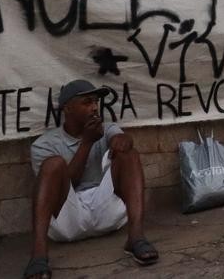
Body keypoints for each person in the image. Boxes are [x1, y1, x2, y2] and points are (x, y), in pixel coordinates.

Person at [23, 80, 157, 279]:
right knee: (53, 164)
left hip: (106, 210)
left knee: (129, 153)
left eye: (95, 102)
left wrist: (122, 141)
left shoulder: (106, 128)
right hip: (67, 219)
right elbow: (70, 184)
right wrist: (86, 143)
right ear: (67, 108)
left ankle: (135, 237)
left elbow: (122, 140)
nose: (94, 107)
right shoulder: (43, 145)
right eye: (87, 102)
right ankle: (39, 255)